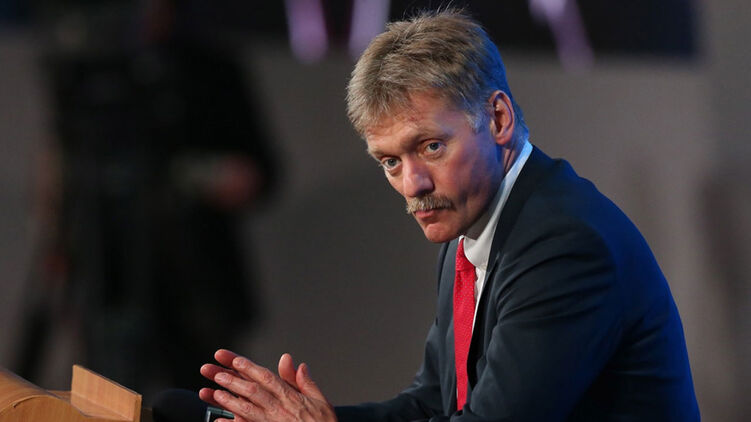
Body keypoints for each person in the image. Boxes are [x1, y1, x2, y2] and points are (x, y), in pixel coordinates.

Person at [198, 9, 700, 421]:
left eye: (431, 147)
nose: (412, 184)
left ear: (498, 119)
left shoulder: (562, 245)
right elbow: (431, 404)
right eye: (390, 162)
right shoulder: (473, 225)